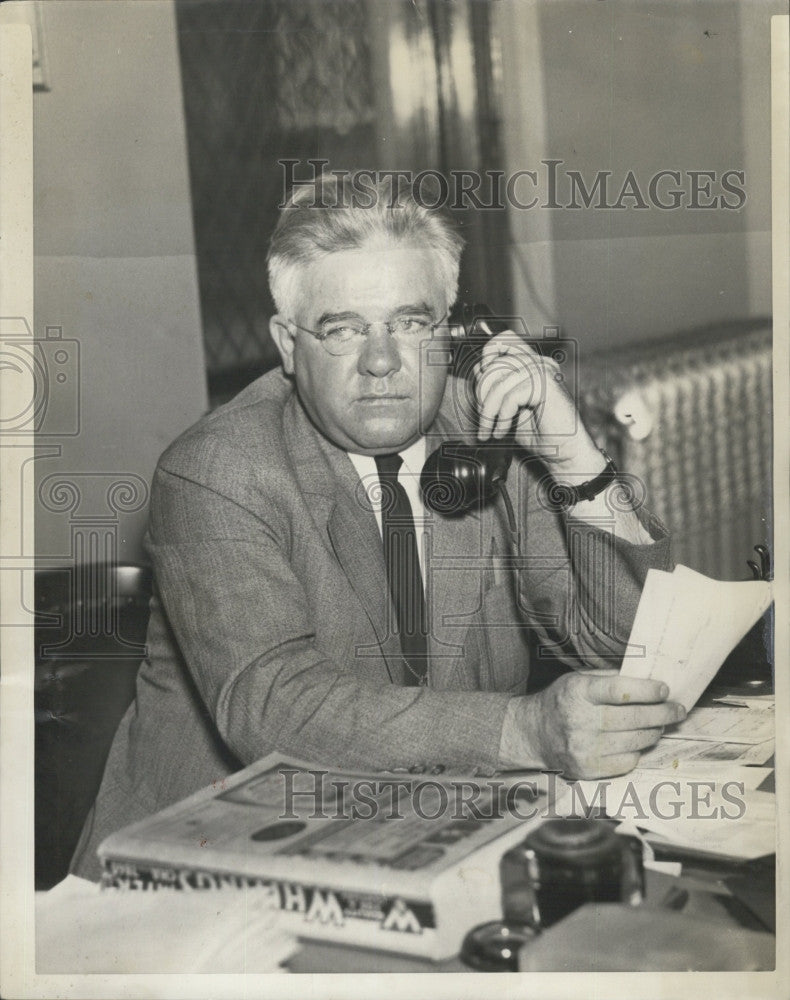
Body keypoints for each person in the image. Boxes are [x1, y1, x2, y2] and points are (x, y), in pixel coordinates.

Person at [71, 173, 683, 880]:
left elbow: (632, 647)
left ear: (449, 330)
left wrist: (574, 457)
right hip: (213, 860)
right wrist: (524, 729)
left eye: (411, 322)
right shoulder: (217, 471)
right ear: (287, 344)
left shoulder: (484, 428)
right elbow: (274, 709)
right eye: (343, 329)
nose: (383, 361)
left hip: (430, 832)